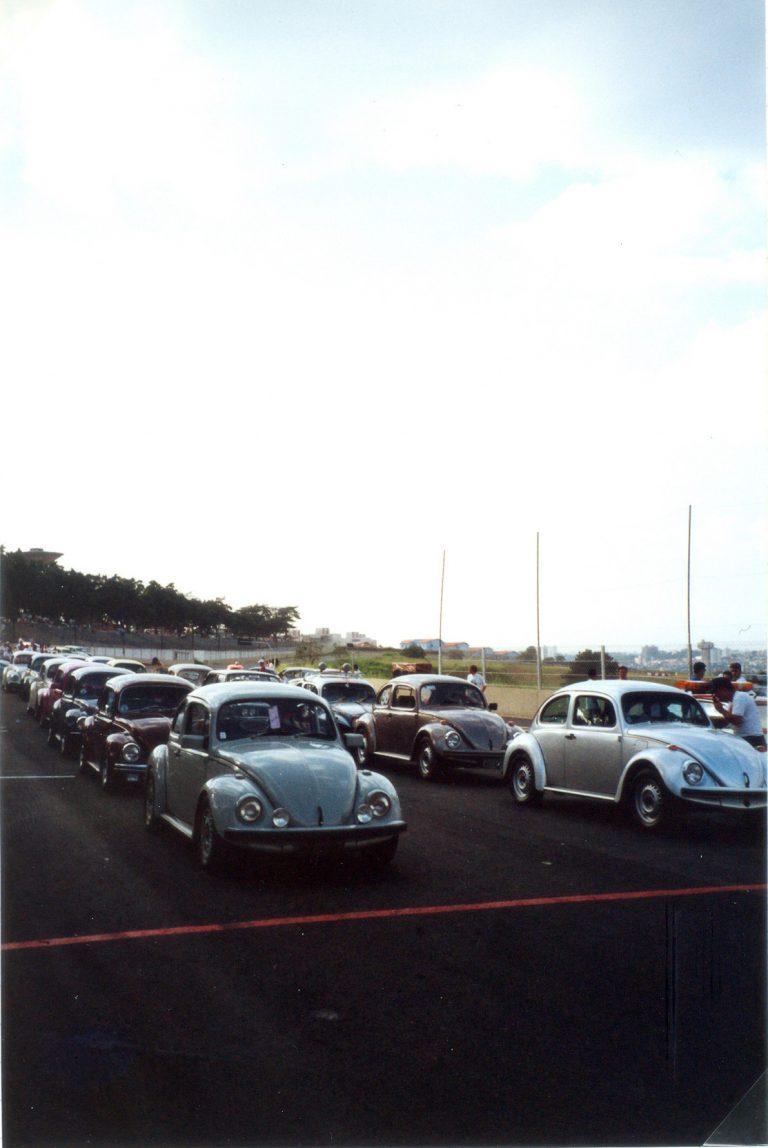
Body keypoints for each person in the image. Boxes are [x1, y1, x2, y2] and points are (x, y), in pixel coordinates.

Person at [710, 677, 766, 748]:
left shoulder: (740, 697)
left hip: (751, 738)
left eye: (716, 693)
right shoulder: (733, 700)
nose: (716, 696)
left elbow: (737, 721)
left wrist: (721, 710)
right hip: (746, 737)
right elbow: (730, 721)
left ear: (724, 689)